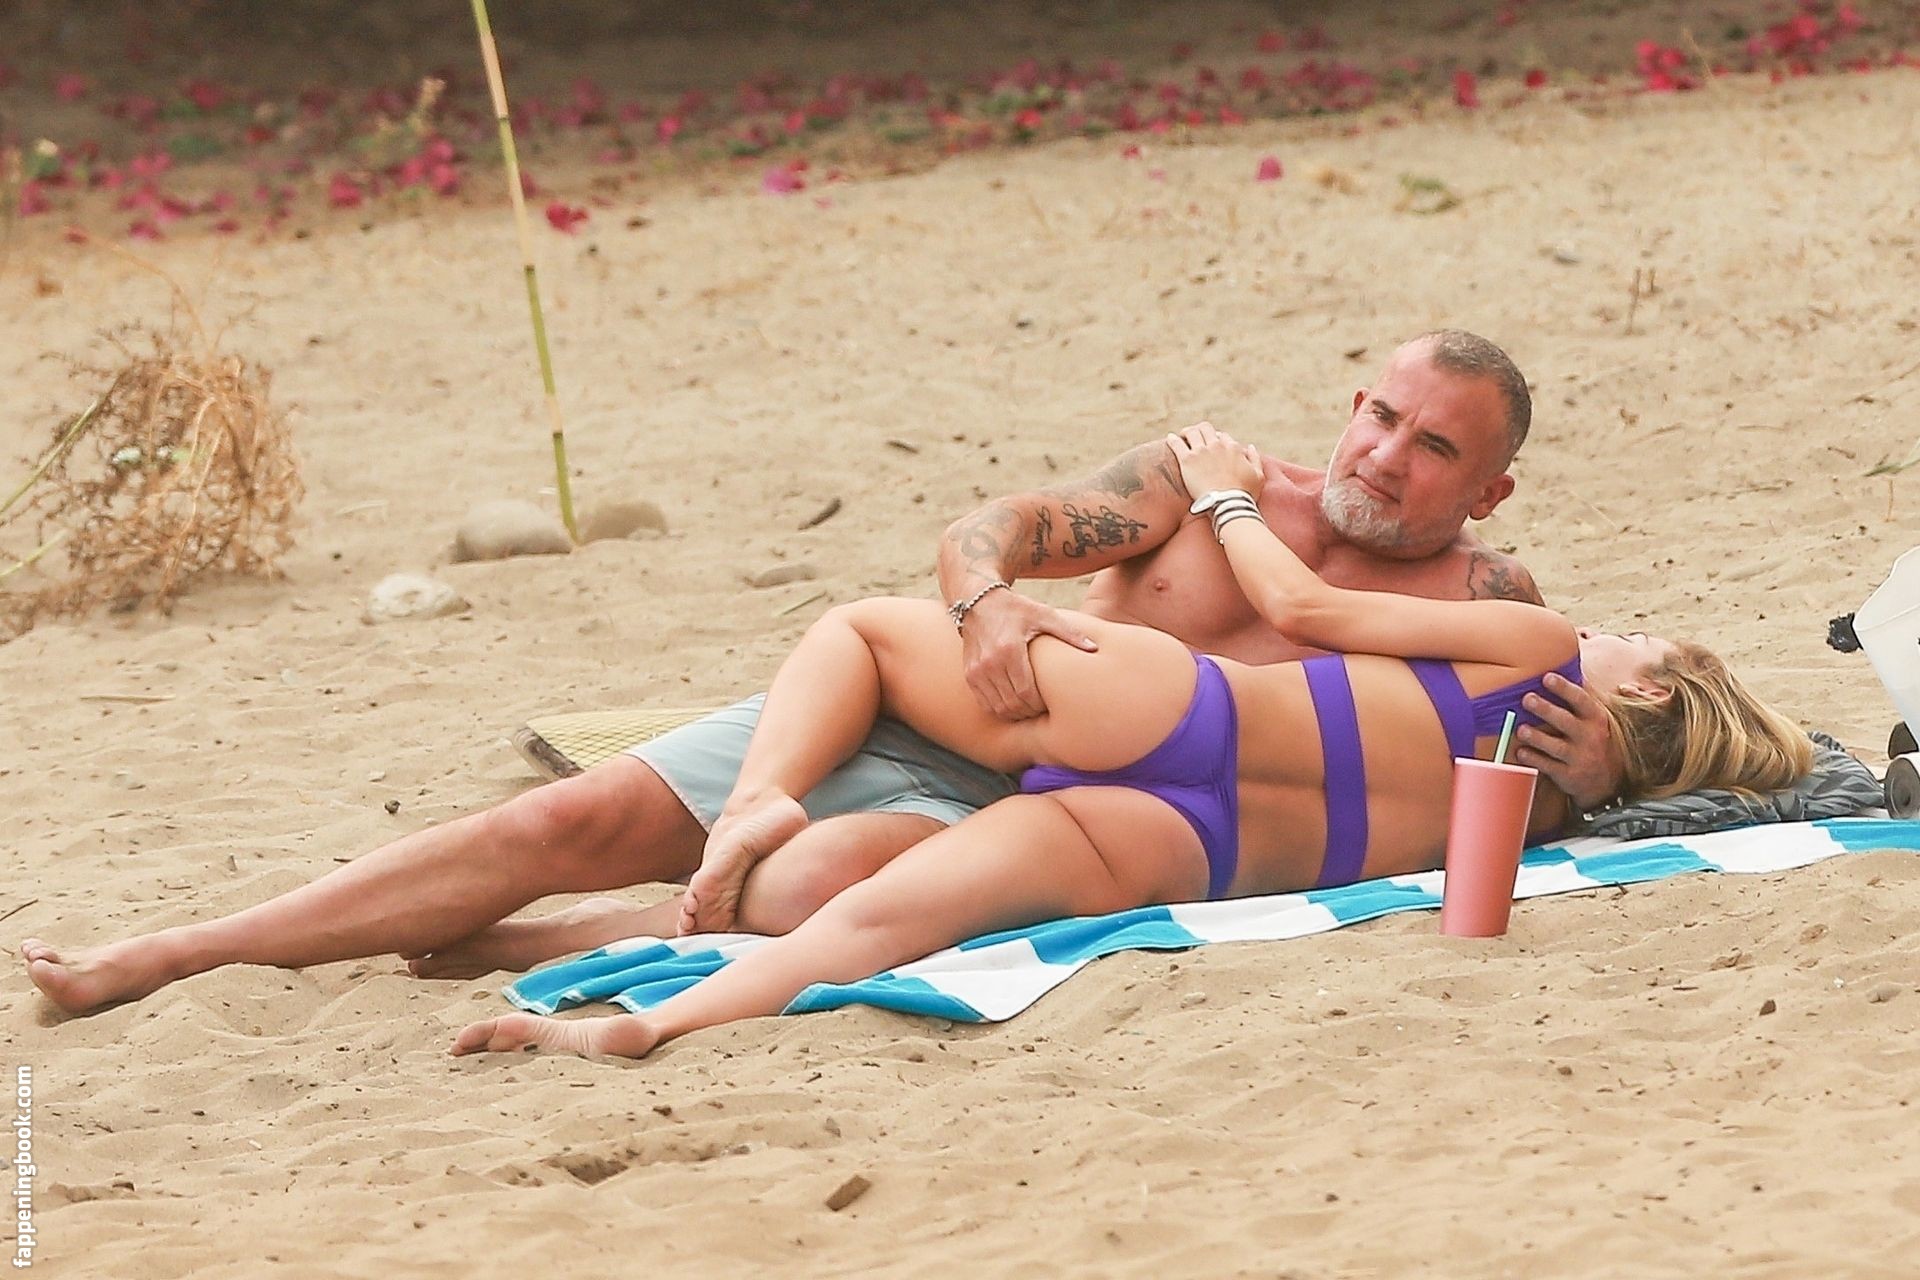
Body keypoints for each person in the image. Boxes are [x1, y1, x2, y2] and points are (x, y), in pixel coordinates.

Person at [20, 330, 1613, 1014]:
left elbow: (1570, 758)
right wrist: (986, 603)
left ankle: (525, 943)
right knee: (569, 818)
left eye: (1434, 448)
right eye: (1379, 416)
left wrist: (1591, 767)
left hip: (1058, 813)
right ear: (1350, 403)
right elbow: (984, 530)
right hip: (948, 706)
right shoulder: (1207, 484)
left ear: (1490, 489)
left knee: (814, 889)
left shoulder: (1487, 598)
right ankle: (172, 953)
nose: (1384, 456)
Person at [449, 424, 1811, 1059]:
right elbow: (1500, 895)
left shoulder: (1536, 641)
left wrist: (1224, 500)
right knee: (876, 925)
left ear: (1651, 687)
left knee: (862, 631)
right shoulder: (1541, 807)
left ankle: (757, 801)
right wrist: (1606, 789)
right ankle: (648, 1027)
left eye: (1646, 636)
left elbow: (1303, 609)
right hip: (1194, 849)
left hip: (1183, 712)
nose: (1618, 626)